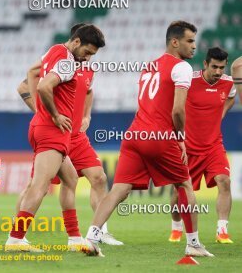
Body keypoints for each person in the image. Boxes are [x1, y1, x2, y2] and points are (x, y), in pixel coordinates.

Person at [83, 21, 213, 257]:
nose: (195, 46)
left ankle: (91, 237)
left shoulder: (150, 66)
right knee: (184, 184)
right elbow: (177, 111)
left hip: (134, 134)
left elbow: (146, 102)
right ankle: (193, 243)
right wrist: (180, 137)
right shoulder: (181, 67)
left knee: (119, 190)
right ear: (175, 42)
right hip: (159, 136)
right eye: (190, 41)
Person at [15, 23, 122, 249]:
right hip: (52, 129)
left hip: (60, 131)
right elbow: (43, 85)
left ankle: (75, 239)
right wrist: (51, 113)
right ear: (76, 42)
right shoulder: (66, 61)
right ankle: (16, 238)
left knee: (71, 179)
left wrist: (85, 116)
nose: (88, 58)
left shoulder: (58, 53)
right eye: (87, 52)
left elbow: (85, 90)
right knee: (39, 187)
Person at [168, 47, 235, 244]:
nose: (218, 72)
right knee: (179, 192)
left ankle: (222, 230)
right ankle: (176, 226)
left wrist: (221, 113)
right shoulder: (189, 80)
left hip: (214, 145)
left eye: (222, 67)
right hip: (187, 148)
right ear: (205, 64)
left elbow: (231, 96)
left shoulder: (228, 83)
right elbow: (173, 106)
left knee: (224, 181)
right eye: (214, 67)